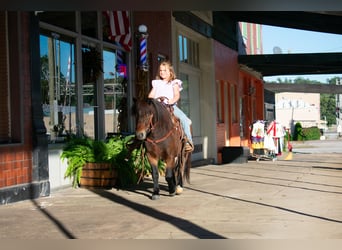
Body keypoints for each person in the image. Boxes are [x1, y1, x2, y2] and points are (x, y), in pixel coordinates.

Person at [148, 60, 194, 152]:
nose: (162, 72)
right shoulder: (157, 83)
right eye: (161, 70)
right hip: (157, 108)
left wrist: (171, 101)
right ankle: (142, 139)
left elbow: (177, 95)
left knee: (184, 119)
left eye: (165, 70)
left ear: (170, 72)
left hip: (170, 107)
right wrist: (153, 100)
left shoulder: (174, 83)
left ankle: (189, 141)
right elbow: (150, 96)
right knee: (145, 120)